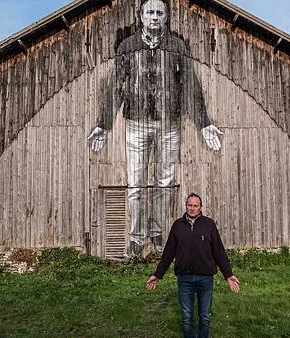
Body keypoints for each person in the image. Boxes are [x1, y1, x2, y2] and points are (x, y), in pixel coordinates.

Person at [88, 0, 224, 258]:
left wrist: (204, 122)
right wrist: (104, 125)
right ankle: (137, 239)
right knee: (136, 184)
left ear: (165, 18)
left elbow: (189, 87)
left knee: (164, 184)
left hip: (169, 126)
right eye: (149, 12)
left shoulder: (176, 47)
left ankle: (158, 235)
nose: (154, 16)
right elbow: (116, 86)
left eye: (159, 13)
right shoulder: (127, 47)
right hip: (136, 125)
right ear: (141, 16)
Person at [146, 193, 240, 338]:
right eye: (190, 205)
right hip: (185, 279)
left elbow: (219, 251)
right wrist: (158, 274)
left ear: (200, 207)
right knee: (187, 317)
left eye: (195, 205)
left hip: (205, 278)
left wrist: (228, 275)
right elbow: (168, 253)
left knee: (205, 316)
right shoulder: (178, 225)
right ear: (186, 206)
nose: (192, 208)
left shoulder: (208, 224)